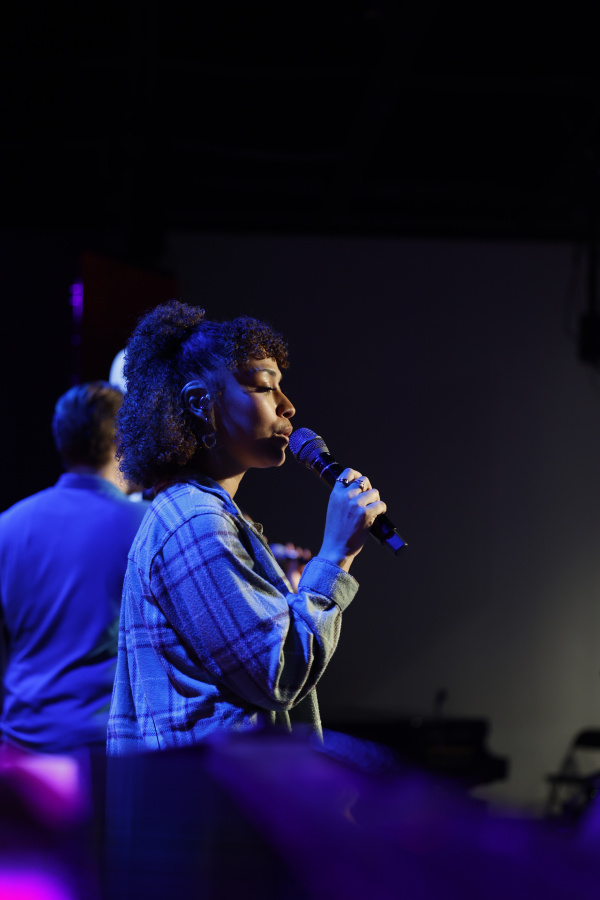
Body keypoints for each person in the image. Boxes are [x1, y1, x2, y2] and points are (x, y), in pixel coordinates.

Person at [107, 300, 386, 754]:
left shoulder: (199, 512)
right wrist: (335, 555)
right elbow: (278, 674)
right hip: (215, 792)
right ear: (201, 403)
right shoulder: (196, 522)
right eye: (263, 387)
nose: (288, 406)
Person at [0, 382, 149, 753]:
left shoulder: (8, 524)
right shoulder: (148, 525)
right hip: (104, 750)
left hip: (20, 744)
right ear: (123, 440)